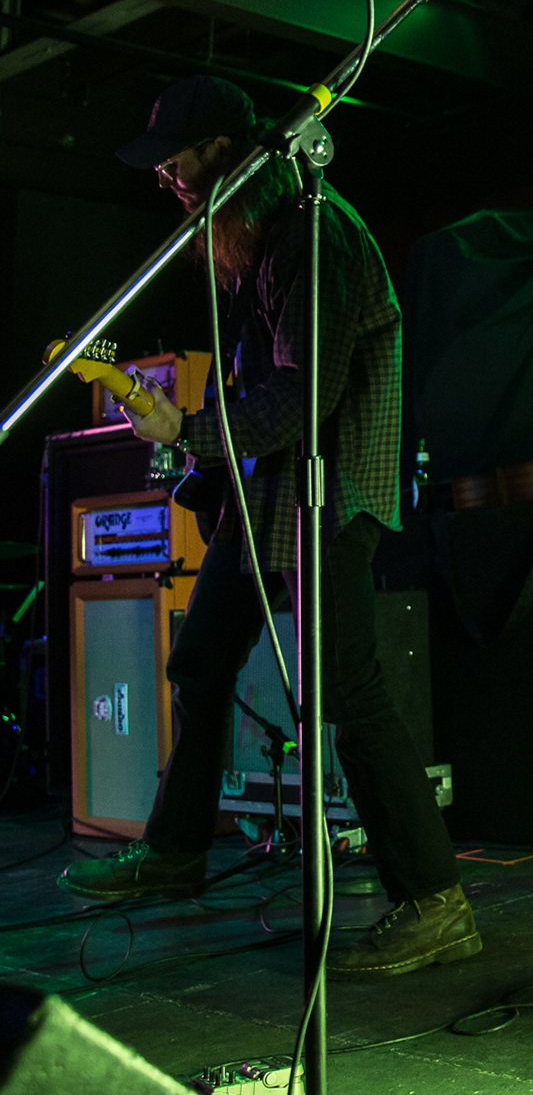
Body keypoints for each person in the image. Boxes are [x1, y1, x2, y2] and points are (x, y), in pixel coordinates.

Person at [57, 76, 479, 980]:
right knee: (201, 660)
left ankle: (435, 901)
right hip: (269, 499)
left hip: (328, 495)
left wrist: (186, 429)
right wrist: (202, 453)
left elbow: (301, 397)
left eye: (176, 161)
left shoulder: (312, 236)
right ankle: (175, 851)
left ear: (224, 153)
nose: (166, 178)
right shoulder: (261, 244)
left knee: (350, 694)